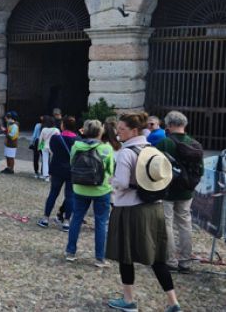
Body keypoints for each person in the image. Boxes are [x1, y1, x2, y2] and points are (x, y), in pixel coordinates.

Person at [106, 112, 180, 312]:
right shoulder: (153, 150)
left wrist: (110, 181)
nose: (118, 132)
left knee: (126, 256)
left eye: (122, 129)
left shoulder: (126, 153)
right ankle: (173, 302)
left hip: (130, 210)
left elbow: (121, 182)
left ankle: (129, 301)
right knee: (157, 258)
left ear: (134, 130)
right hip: (154, 209)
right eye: (118, 128)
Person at [156, 111, 201, 274]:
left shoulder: (164, 143)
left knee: (167, 223)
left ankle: (170, 260)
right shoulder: (194, 144)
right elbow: (200, 169)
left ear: (170, 125)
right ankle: (185, 261)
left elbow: (155, 166)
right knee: (185, 223)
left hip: (167, 189)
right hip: (186, 190)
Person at [65, 119, 115, 267]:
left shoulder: (76, 146)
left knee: (76, 219)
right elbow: (110, 170)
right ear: (100, 132)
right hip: (100, 189)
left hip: (80, 187)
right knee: (101, 223)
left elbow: (72, 163)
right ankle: (99, 258)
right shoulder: (106, 148)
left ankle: (70, 252)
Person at [37, 115, 78, 231]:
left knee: (53, 193)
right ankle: (66, 222)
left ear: (63, 125)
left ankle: (45, 218)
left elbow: (52, 150)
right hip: (71, 171)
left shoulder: (56, 138)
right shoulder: (78, 140)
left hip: (57, 169)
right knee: (70, 196)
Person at [39, 115, 60, 181]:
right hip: (53, 147)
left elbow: (41, 139)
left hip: (44, 146)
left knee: (45, 161)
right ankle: (52, 175)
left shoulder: (44, 129)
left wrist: (40, 147)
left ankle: (46, 175)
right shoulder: (56, 130)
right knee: (53, 161)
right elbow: (59, 139)